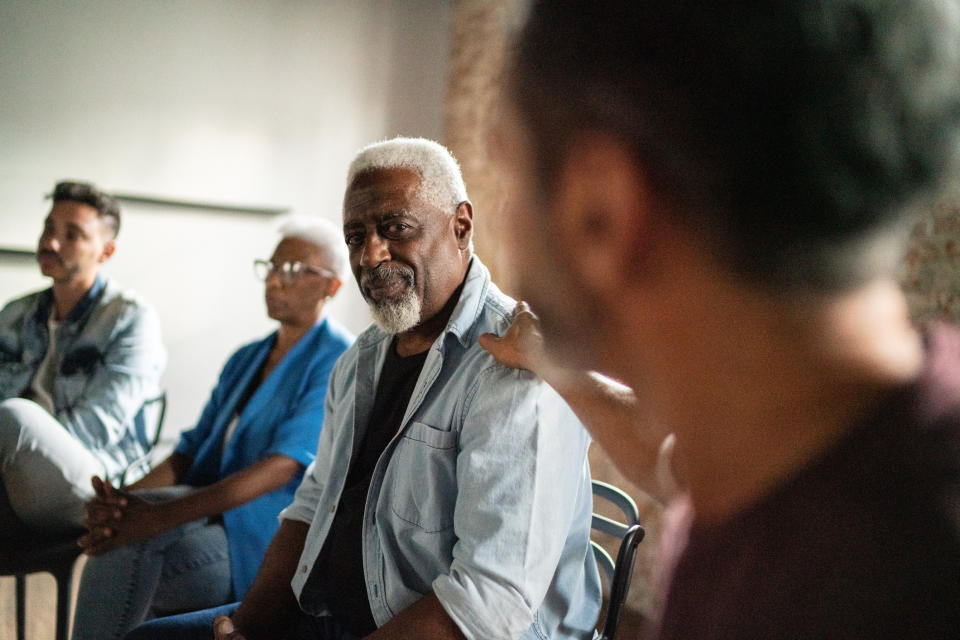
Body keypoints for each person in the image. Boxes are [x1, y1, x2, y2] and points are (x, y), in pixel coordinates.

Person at [496, 1, 960, 638]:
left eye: (508, 168)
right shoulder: (800, 442)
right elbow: (668, 462)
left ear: (599, 208)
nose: (506, 221)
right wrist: (556, 367)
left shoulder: (885, 589)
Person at [128, 137, 599, 640]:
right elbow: (310, 511)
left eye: (395, 228)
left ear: (461, 226)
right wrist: (248, 627)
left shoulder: (516, 362)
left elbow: (487, 604)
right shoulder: (361, 359)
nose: (371, 255)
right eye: (356, 237)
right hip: (335, 613)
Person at [70, 217, 354, 639]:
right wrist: (125, 502)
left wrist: (159, 517)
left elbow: (282, 467)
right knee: (120, 532)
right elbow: (189, 451)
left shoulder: (339, 358)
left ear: (332, 287)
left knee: (123, 553)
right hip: (202, 512)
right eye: (271, 267)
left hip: (264, 537)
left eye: (293, 270)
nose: (275, 280)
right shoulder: (247, 357)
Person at [0, 181, 165, 539]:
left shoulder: (131, 318)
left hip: (92, 482)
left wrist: (23, 450)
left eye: (72, 235)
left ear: (105, 252)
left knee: (15, 415)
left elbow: (98, 427)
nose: (50, 243)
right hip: (11, 469)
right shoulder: (16, 313)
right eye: (49, 228)